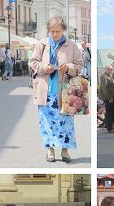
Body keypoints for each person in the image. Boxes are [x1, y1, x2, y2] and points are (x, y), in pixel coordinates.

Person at [29, 16, 83, 163]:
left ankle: (65, 151)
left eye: (58, 31)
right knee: (46, 122)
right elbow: (32, 62)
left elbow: (80, 64)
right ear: (49, 31)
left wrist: (69, 67)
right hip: (45, 91)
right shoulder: (42, 44)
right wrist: (44, 68)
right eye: (52, 31)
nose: (55, 34)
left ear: (63, 30)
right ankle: (50, 150)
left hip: (65, 92)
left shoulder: (71, 45)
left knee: (66, 121)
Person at [98, 65, 114, 133]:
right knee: (109, 112)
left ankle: (109, 125)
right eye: (109, 69)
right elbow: (104, 88)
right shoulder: (104, 77)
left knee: (112, 111)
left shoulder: (109, 77)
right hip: (108, 98)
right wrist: (109, 98)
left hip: (111, 98)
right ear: (105, 69)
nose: (110, 70)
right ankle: (110, 128)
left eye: (111, 69)